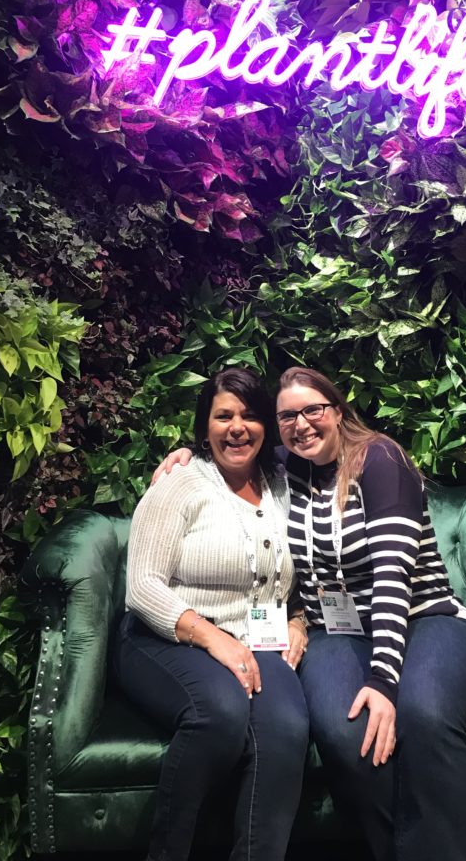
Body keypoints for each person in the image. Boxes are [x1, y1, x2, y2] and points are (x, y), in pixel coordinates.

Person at [158, 365, 466, 861]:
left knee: (424, 715)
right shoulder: (287, 468)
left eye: (313, 410)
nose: (301, 424)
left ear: (337, 411)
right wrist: (187, 454)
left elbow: (391, 580)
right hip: (336, 630)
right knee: (343, 729)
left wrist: (383, 681)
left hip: (424, 617)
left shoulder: (379, 460)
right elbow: (230, 446)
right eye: (287, 416)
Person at [115, 367, 310, 861]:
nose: (237, 427)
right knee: (218, 713)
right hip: (164, 635)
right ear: (204, 428)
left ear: (267, 426)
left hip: (258, 638)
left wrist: (297, 621)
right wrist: (212, 637)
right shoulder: (179, 482)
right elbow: (141, 587)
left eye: (249, 415)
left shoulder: (284, 483)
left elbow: (309, 567)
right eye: (223, 416)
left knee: (285, 729)